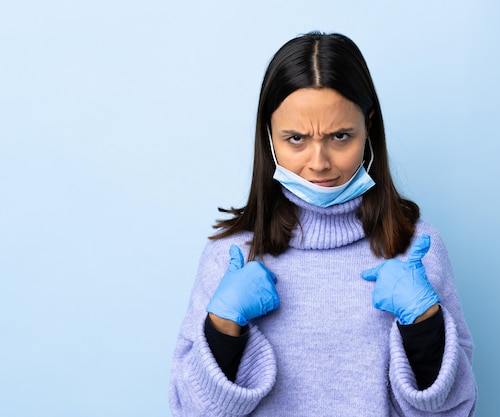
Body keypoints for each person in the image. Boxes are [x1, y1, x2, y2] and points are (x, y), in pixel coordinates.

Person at [169, 31, 477, 416]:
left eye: (340, 136)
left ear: (368, 129)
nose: (318, 162)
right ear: (268, 136)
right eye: (295, 138)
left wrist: (424, 325)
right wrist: (222, 326)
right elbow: (188, 410)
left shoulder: (418, 249)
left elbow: (455, 410)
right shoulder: (231, 256)